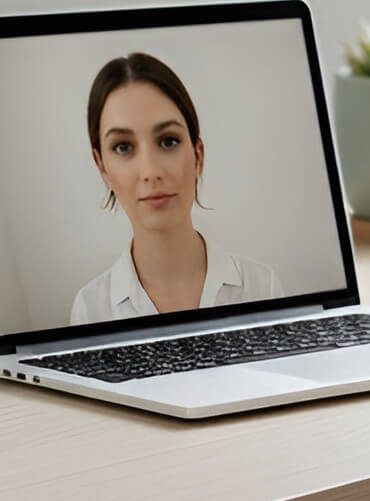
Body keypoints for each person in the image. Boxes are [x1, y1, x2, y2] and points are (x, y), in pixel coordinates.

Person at [71, 52, 283, 325]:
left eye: (168, 141)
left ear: (198, 155)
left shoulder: (262, 288)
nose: (150, 172)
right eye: (123, 147)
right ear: (102, 167)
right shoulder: (90, 310)